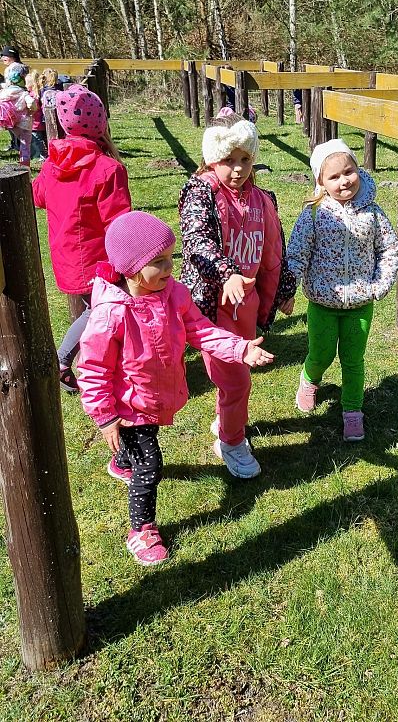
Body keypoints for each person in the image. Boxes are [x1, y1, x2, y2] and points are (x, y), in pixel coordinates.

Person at [77, 212, 274, 566]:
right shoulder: (111, 313)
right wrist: (106, 417)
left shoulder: (174, 295)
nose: (170, 267)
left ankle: (122, 460)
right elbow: (92, 369)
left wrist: (240, 348)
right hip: (128, 405)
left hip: (154, 396)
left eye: (170, 257)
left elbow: (201, 330)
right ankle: (141, 529)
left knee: (139, 449)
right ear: (131, 270)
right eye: (158, 262)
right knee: (150, 466)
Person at [179, 116, 295, 478]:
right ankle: (230, 441)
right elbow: (197, 240)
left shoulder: (262, 199)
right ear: (212, 158)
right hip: (213, 308)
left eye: (245, 159)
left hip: (247, 306)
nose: (239, 169)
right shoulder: (201, 193)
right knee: (236, 380)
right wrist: (226, 273)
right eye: (229, 160)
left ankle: (224, 419)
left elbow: (274, 248)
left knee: (235, 375)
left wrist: (283, 290)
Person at [286, 139, 398, 442]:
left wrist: (380, 283)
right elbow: (297, 253)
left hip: (360, 305)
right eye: (334, 177)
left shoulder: (373, 213)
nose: (344, 181)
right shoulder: (314, 214)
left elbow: (389, 248)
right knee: (320, 354)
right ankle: (310, 379)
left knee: (353, 360)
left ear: (358, 170)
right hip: (323, 303)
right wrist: (288, 288)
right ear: (321, 181)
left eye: (348, 172)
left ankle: (352, 411)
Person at [32, 85, 131, 392]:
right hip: (100, 260)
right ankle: (63, 360)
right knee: (102, 309)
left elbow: (38, 196)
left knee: (97, 309)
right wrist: (128, 262)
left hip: (66, 257)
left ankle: (99, 364)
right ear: (102, 122)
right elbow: (119, 223)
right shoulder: (108, 169)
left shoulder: (53, 164)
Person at [0, 63, 35, 166]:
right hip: (23, 123)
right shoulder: (24, 93)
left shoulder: (4, 92)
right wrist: (32, 109)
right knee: (25, 145)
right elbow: (32, 104)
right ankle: (25, 166)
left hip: (9, 120)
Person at [25, 71, 47, 161]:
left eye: (26, 83)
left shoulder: (31, 96)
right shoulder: (38, 93)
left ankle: (42, 155)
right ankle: (44, 153)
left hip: (35, 123)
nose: (25, 85)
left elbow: (31, 108)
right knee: (42, 138)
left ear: (31, 84)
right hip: (40, 121)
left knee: (38, 140)